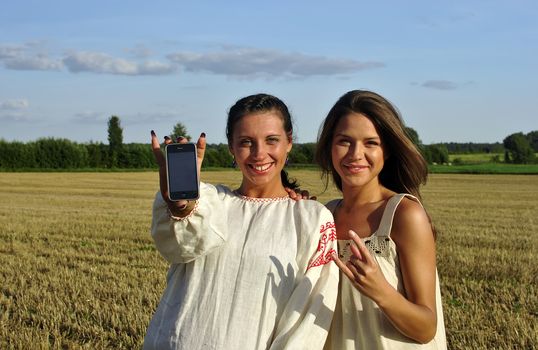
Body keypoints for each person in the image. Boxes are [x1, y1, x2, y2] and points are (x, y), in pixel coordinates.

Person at [143, 93, 339, 349]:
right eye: (246, 142)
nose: (259, 154)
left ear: (289, 142)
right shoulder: (209, 201)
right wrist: (181, 206)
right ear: (231, 147)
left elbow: (307, 319)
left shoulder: (311, 218)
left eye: (271, 140)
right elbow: (178, 248)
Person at [316, 90, 447, 349]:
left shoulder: (404, 214)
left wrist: (381, 290)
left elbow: (426, 328)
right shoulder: (324, 216)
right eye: (344, 141)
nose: (355, 153)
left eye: (370, 143)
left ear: (386, 151)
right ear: (330, 146)